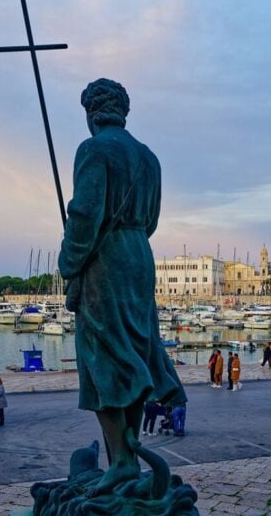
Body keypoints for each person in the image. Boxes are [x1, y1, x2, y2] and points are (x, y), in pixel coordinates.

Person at [58, 78, 186, 494]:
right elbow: (151, 221)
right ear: (122, 111)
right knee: (133, 349)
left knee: (105, 357)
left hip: (106, 259)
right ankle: (123, 456)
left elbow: (84, 216)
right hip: (139, 255)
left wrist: (69, 263)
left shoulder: (93, 149)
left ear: (92, 112)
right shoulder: (149, 158)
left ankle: (124, 461)